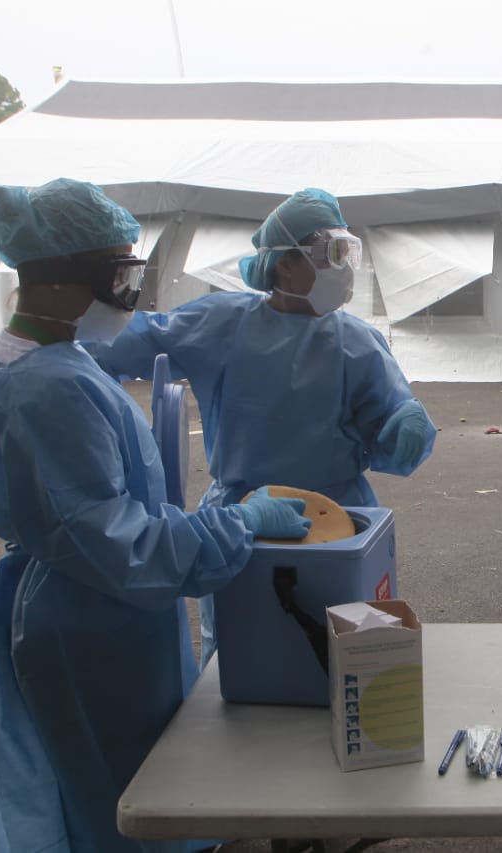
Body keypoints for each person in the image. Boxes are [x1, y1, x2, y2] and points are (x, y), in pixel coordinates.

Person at [0, 178, 310, 852]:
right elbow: (119, 543)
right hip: (98, 623)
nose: (130, 293)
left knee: (87, 787)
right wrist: (238, 523)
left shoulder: (1, 360)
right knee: (133, 803)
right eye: (118, 274)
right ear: (57, 279)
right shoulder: (51, 388)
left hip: (64, 602)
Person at [87, 188, 436, 661]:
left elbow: (391, 430)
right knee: (244, 654)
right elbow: (119, 342)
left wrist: (404, 423)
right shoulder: (222, 323)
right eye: (329, 252)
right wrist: (38, 341)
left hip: (338, 518)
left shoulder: (357, 340)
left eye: (346, 251)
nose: (344, 268)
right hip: (246, 517)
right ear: (284, 265)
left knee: (343, 653)